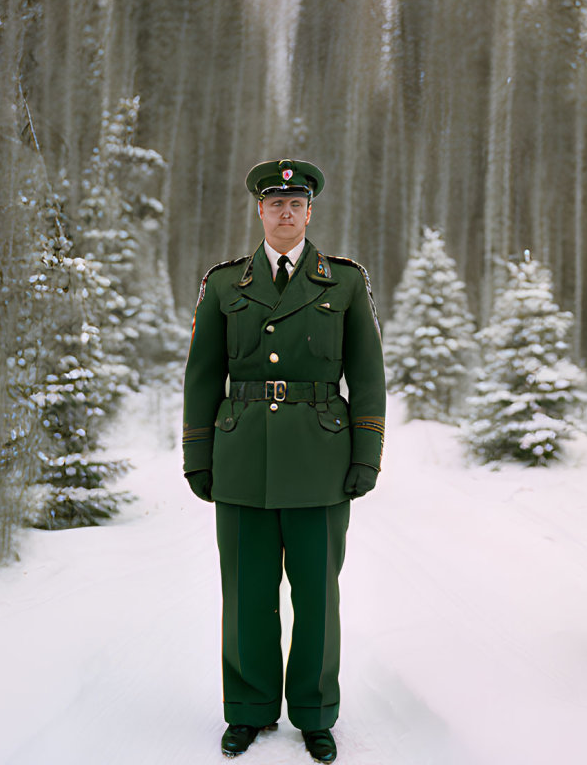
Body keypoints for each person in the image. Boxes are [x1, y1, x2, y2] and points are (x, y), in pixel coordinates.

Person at [182, 159, 386, 763]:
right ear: (260, 211)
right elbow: (201, 377)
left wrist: (366, 452)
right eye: (275, 204)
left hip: (321, 458)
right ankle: (247, 710)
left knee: (317, 594)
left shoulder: (343, 282)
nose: (286, 213)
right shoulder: (224, 285)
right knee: (246, 591)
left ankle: (316, 713)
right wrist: (199, 452)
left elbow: (368, 378)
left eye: (296, 204)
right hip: (241, 454)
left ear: (310, 212)